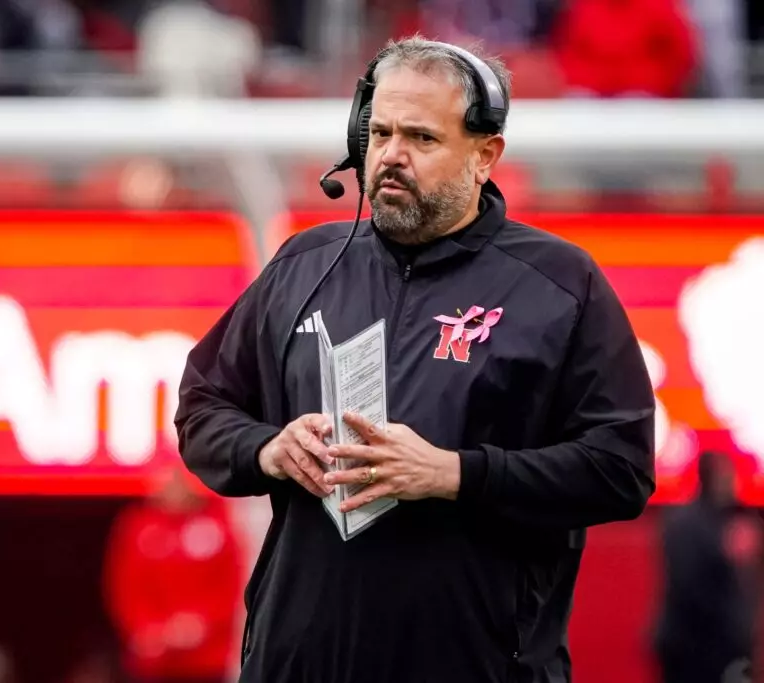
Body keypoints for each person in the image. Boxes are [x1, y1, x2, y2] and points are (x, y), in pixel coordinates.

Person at [174, 35, 656, 683]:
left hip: (475, 664)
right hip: (300, 663)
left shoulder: (559, 283)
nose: (391, 156)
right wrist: (268, 449)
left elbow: (620, 467)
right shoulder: (304, 265)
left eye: (422, 139)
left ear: (485, 155)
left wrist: (453, 473)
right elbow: (203, 405)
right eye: (380, 133)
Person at [103, 466, 243, 683]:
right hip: (154, 659)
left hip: (207, 659)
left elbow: (230, 586)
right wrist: (151, 629)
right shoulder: (137, 527)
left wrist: (199, 624)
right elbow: (125, 587)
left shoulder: (218, 525)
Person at [655, 451, 760, 683]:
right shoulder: (688, 524)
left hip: (722, 646)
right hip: (695, 648)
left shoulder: (731, 520)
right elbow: (690, 585)